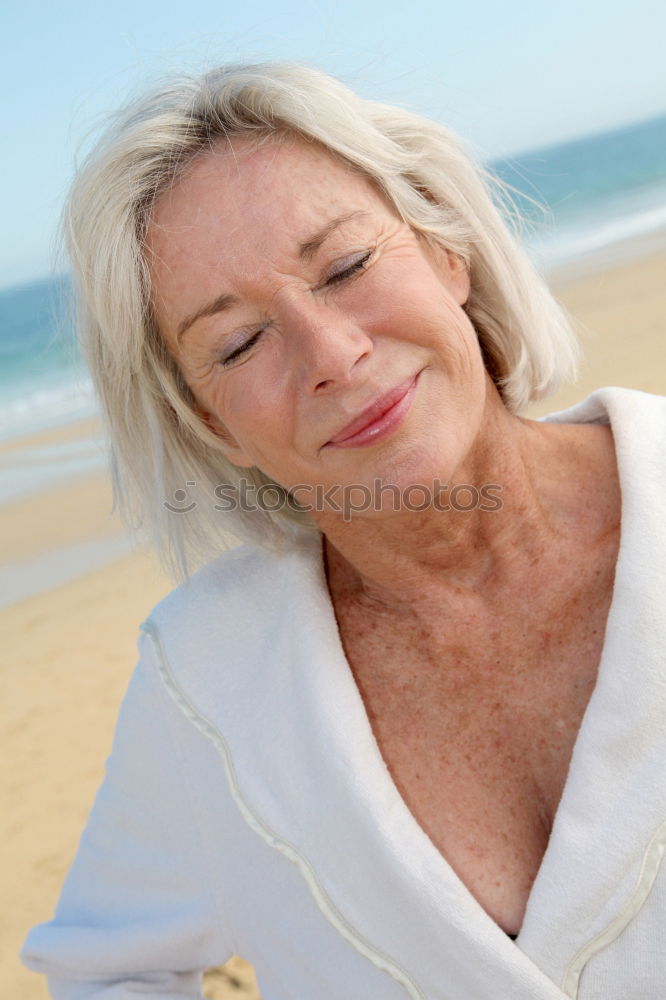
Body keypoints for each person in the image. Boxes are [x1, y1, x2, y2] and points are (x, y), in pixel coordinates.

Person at [22, 62, 666, 1000]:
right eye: (238, 343)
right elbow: (102, 970)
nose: (331, 354)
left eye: (347, 267)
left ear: (448, 250)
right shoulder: (206, 681)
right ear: (211, 423)